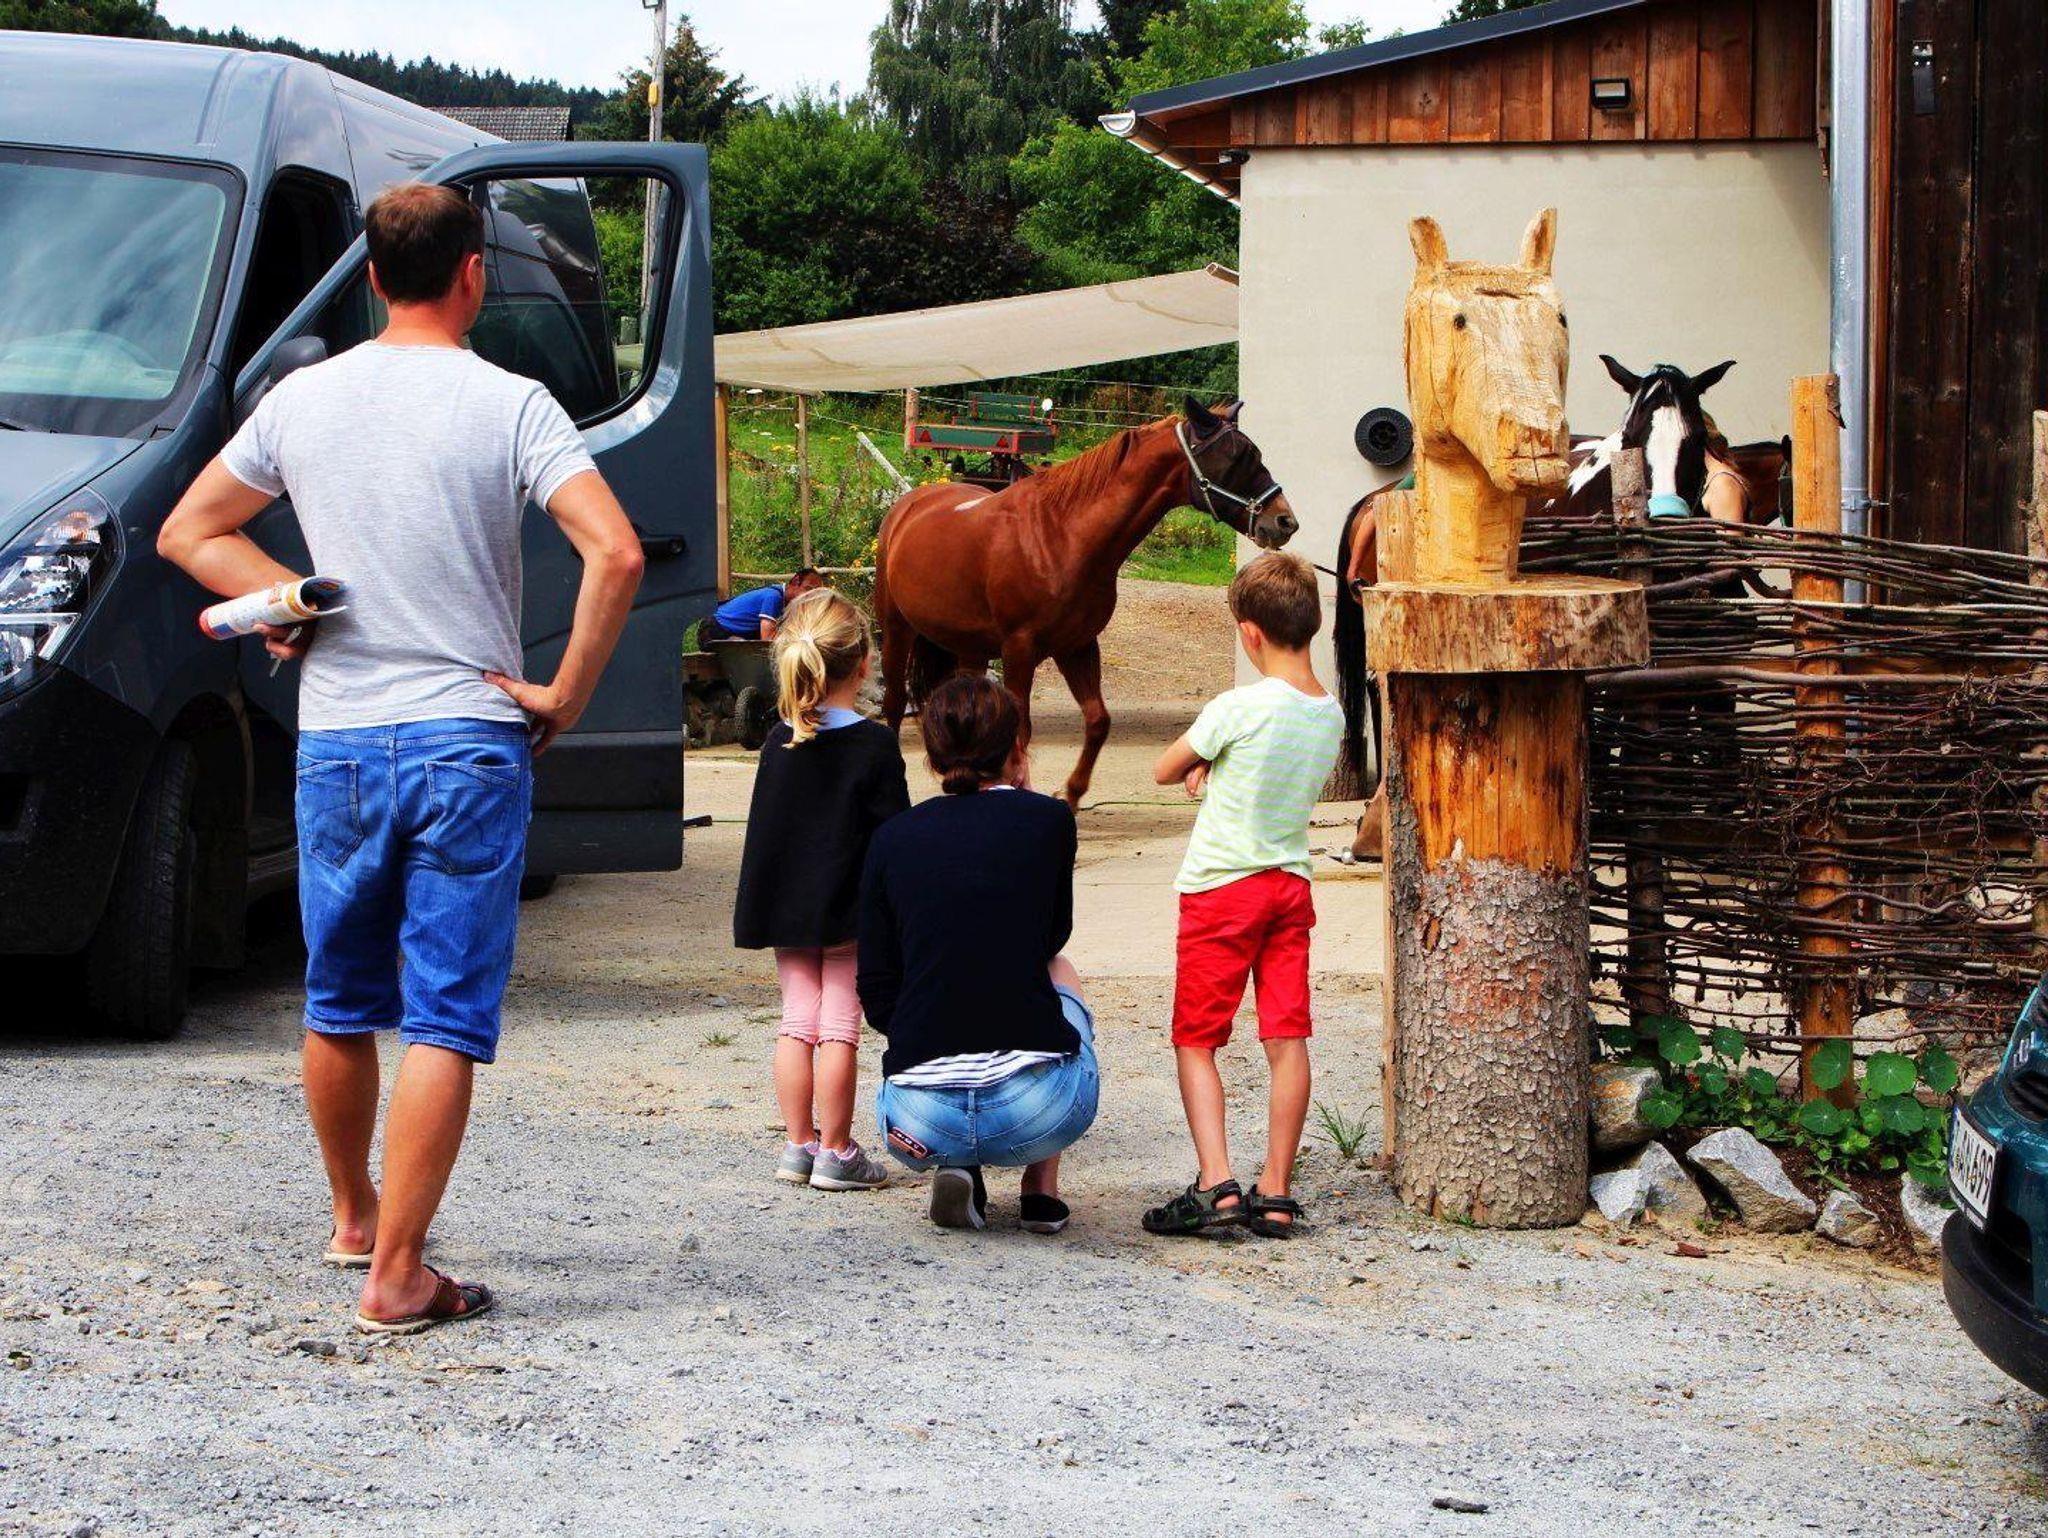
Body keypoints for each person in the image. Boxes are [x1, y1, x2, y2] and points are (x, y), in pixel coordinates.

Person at [158, 182, 645, 1334]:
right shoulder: (512, 403)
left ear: (373, 278)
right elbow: (617, 552)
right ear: (474, 273)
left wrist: (285, 596)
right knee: (442, 1014)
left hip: (338, 738)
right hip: (467, 737)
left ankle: (353, 1218)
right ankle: (401, 1273)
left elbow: (189, 530)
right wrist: (565, 693)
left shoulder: (302, 398)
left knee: (338, 999)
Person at [1143, 551, 1343, 1240]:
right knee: (1287, 1037)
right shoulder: (1329, 715)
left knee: (1197, 1039)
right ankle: (1277, 1190)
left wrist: (1204, 757)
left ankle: (1216, 1183)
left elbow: (1164, 768)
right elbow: (1266, 769)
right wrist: (1218, 765)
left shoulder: (1236, 706)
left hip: (1222, 891)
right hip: (1288, 888)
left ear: (1249, 633)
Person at [859, 674, 1096, 1233]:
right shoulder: (1049, 821)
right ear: (1017, 747)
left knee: (947, 987)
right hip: (1037, 1113)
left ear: (932, 757)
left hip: (915, 1119)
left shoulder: (891, 839)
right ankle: (1041, 1189)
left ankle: (957, 1160)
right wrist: (1024, 790)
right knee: (1057, 970)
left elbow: (877, 989)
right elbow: (1051, 935)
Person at [732, 587, 908, 1191]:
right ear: (863, 663)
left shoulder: (778, 740)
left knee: (795, 1021)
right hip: (847, 912)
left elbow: (768, 832)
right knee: (839, 1028)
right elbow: (893, 836)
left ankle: (797, 1144)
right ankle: (836, 1151)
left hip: (788, 909)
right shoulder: (875, 744)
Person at [702, 568, 823, 642]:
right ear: (796, 581)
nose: (811, 596)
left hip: (734, 631)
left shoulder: (788, 604)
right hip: (715, 629)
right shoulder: (774, 597)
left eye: (815, 593)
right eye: (808, 589)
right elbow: (768, 639)